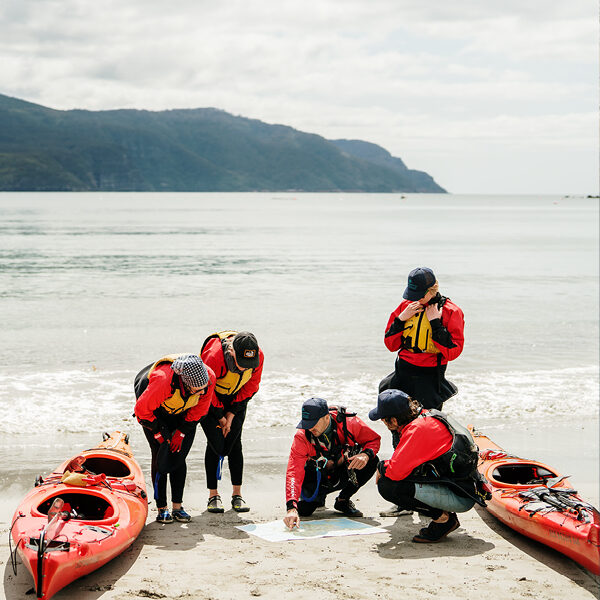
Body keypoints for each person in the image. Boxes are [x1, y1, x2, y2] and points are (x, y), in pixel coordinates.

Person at [369, 389, 490, 543]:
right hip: (466, 488)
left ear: (393, 420)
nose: (384, 424)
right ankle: (444, 516)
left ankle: (444, 520)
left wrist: (381, 467)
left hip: (460, 498)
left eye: (384, 420)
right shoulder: (429, 415)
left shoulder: (416, 429)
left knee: (387, 485)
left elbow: (395, 472)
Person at [134, 353, 215, 523]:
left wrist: (182, 431)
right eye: (197, 390)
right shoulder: (163, 381)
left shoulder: (209, 379)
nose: (201, 392)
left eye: (203, 389)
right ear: (185, 382)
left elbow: (200, 410)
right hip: (153, 412)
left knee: (179, 455)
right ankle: (162, 508)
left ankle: (177, 507)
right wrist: (158, 432)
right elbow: (142, 411)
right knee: (160, 454)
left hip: (183, 413)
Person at [283, 398, 381, 530]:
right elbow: (294, 471)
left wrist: (365, 455)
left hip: (343, 470)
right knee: (305, 511)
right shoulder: (301, 436)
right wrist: (291, 507)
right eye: (306, 423)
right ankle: (318, 498)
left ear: (326, 417)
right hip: (318, 476)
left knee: (373, 461)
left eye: (313, 423)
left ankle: (343, 500)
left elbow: (373, 440)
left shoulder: (349, 422)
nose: (309, 427)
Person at [381, 267, 464, 411]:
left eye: (419, 294)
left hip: (430, 377)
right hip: (403, 371)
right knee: (396, 419)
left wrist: (435, 324)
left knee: (427, 424)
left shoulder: (451, 311)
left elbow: (453, 352)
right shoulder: (406, 306)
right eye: (412, 294)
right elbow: (390, 345)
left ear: (432, 290)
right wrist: (401, 319)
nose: (414, 298)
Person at [200, 330, 264, 513]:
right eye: (241, 364)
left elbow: (252, 385)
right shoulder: (214, 357)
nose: (244, 368)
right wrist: (220, 416)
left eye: (248, 365)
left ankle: (237, 495)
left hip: (237, 399)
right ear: (232, 351)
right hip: (210, 399)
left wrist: (232, 414)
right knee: (215, 444)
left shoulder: (258, 356)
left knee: (235, 444)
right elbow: (206, 390)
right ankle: (213, 495)